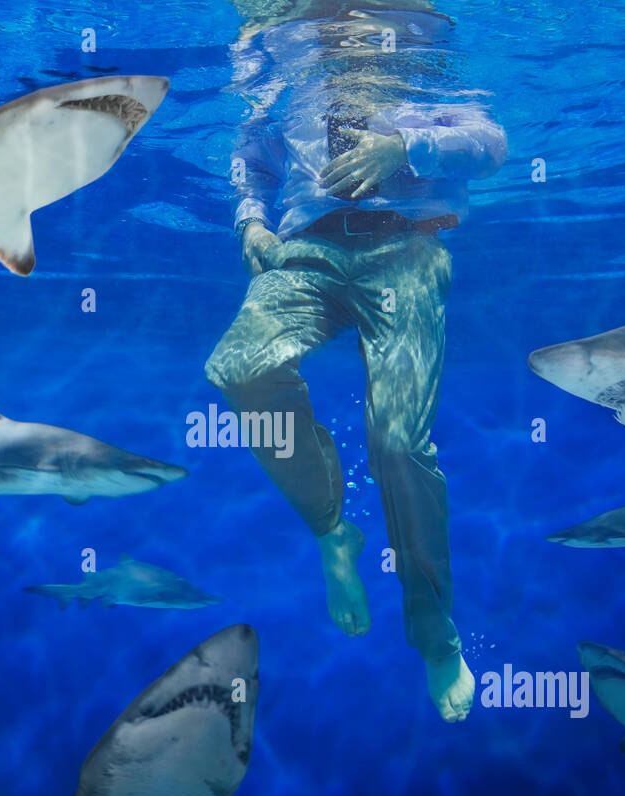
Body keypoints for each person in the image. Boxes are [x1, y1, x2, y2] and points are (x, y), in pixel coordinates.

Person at [205, 2, 507, 722]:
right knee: (241, 369)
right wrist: (249, 215)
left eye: (364, 18)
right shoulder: (283, 58)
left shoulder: (422, 64)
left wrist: (404, 146)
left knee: (397, 443)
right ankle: (333, 529)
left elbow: (491, 142)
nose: (349, 29)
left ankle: (435, 634)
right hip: (305, 248)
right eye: (333, 18)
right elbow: (254, 144)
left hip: (407, 246)